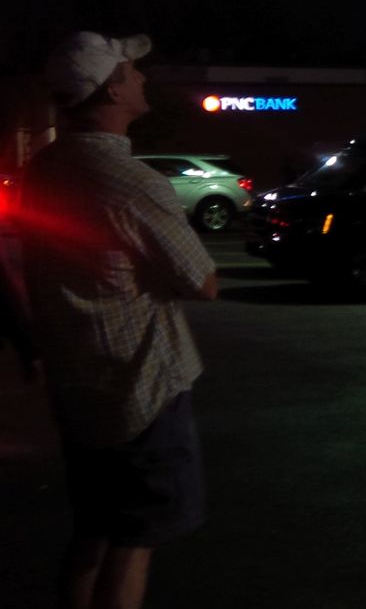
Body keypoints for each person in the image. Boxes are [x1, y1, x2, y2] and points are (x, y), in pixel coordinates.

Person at [19, 32, 219, 609]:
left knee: (92, 534)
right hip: (141, 390)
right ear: (110, 90)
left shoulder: (44, 169)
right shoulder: (134, 183)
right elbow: (203, 282)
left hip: (78, 389)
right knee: (134, 545)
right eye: (132, 71)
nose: (143, 78)